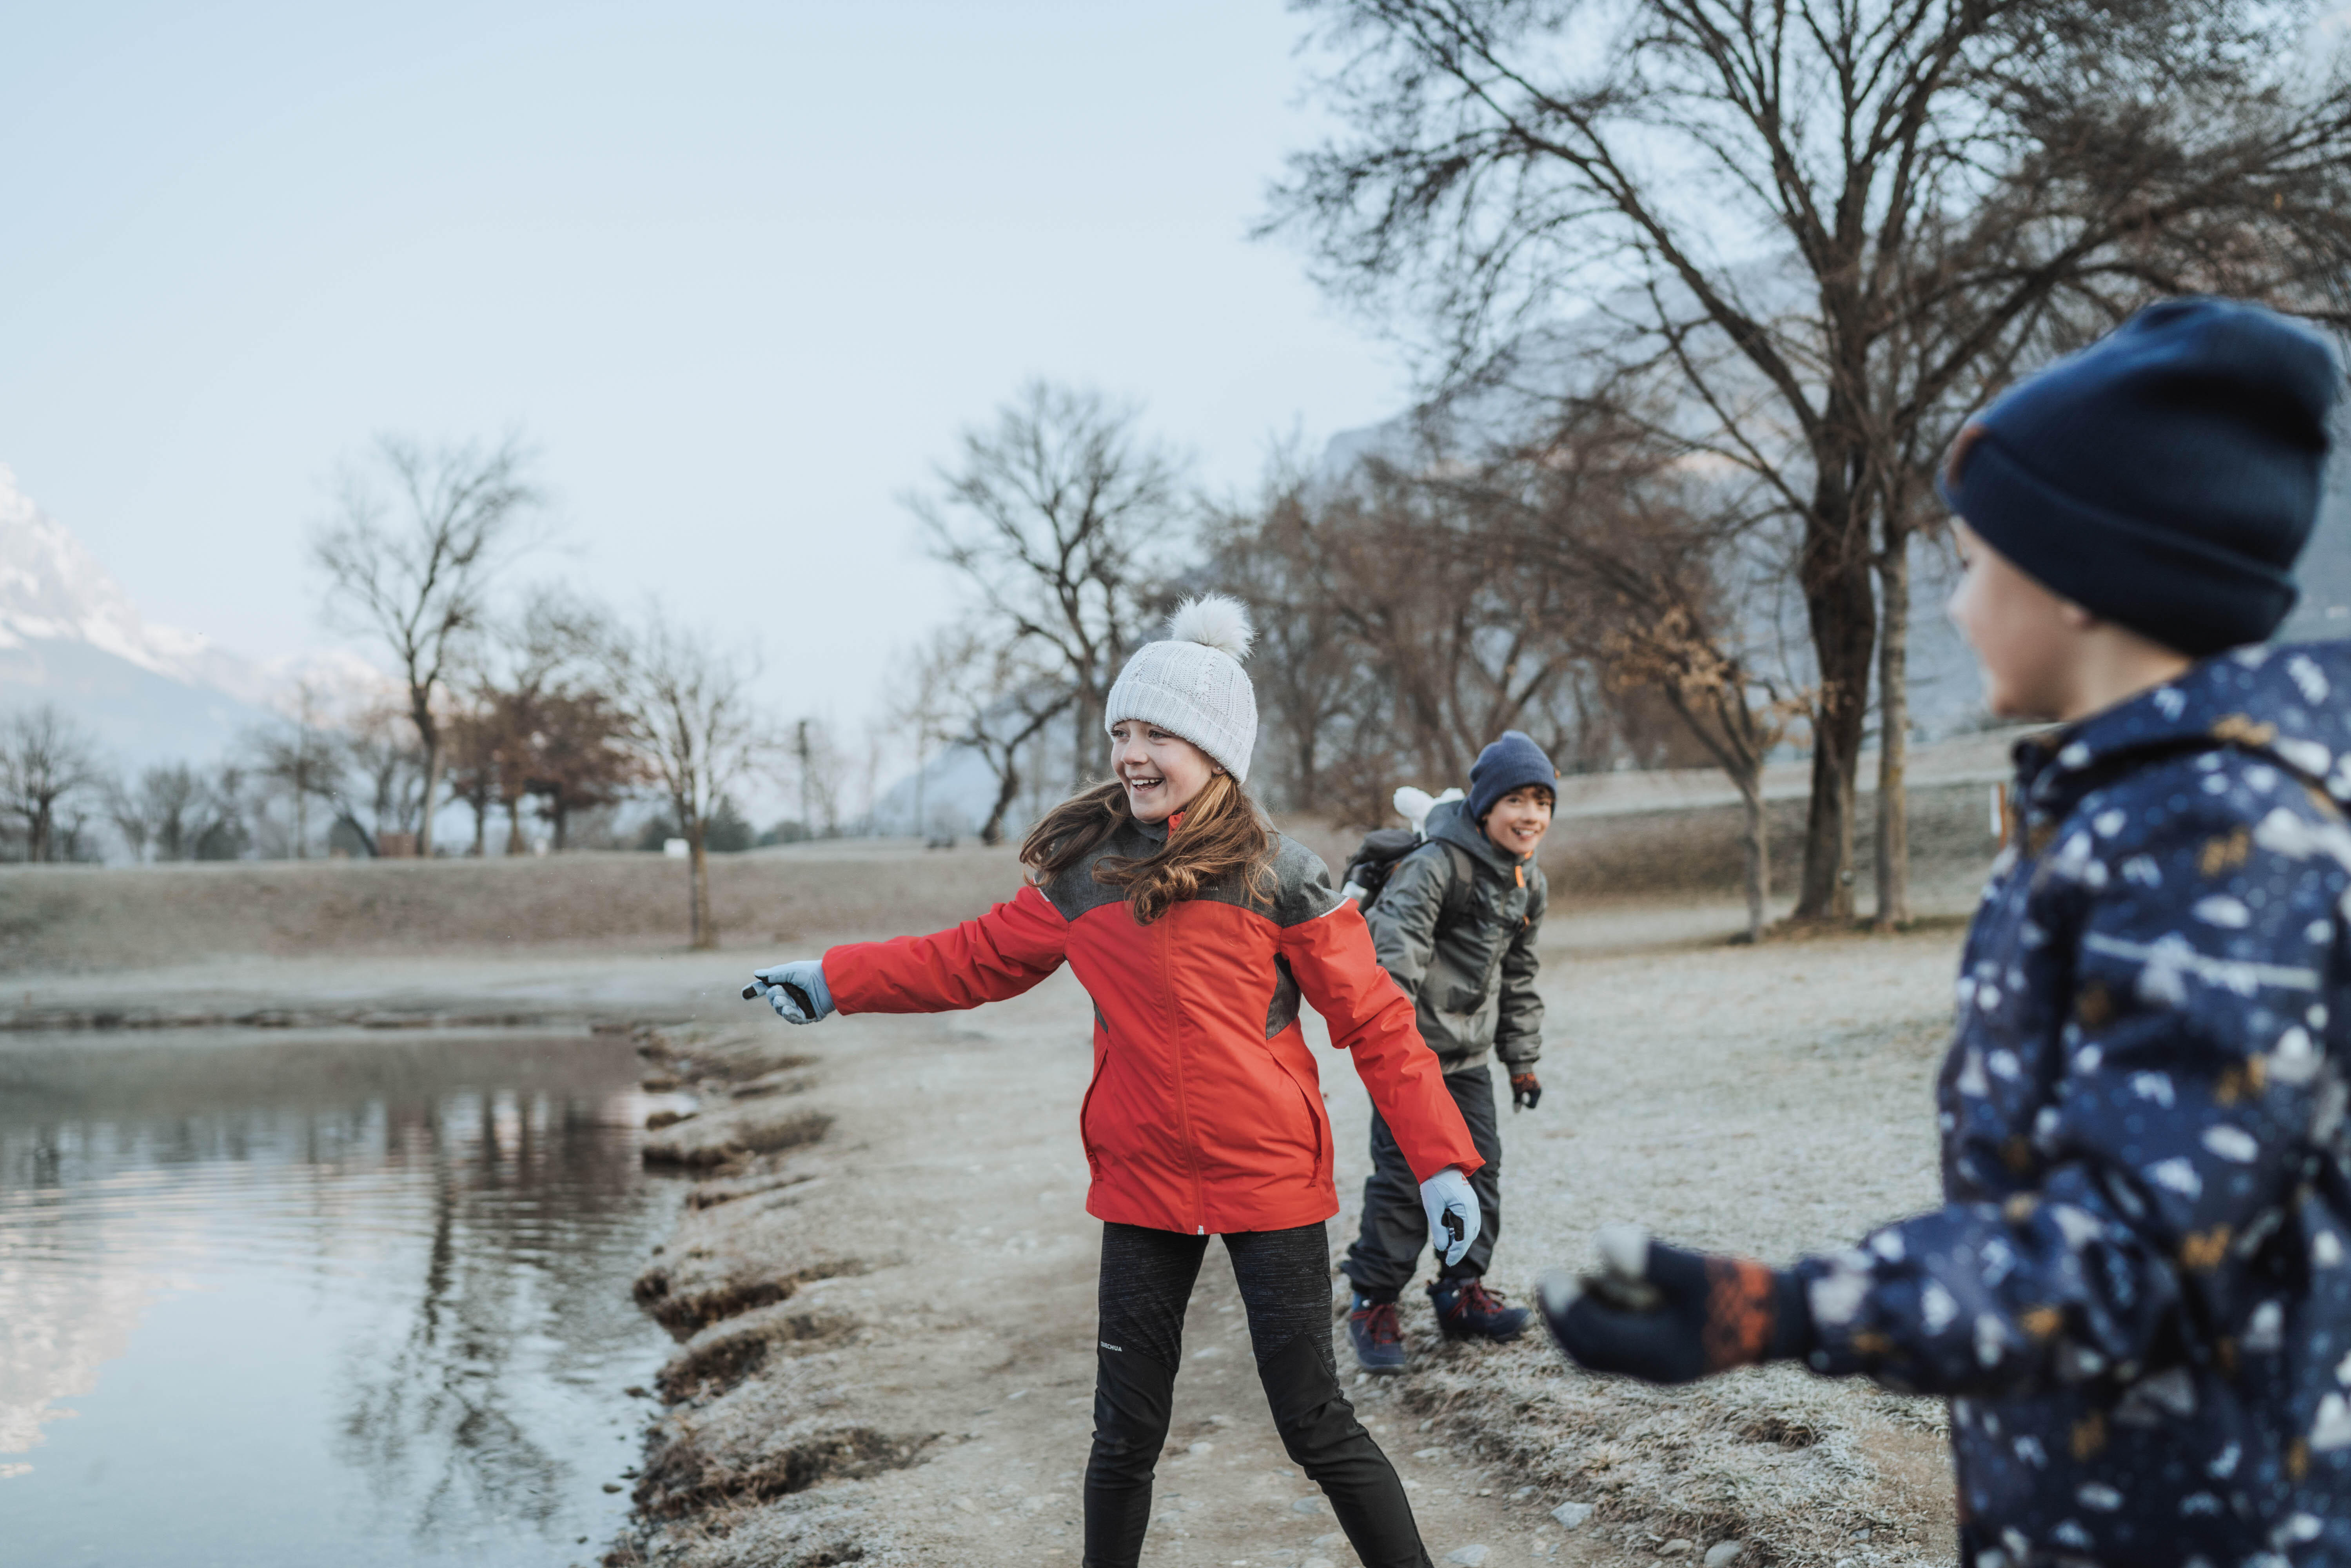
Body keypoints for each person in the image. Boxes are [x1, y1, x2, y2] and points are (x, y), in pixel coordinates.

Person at [1538, 297, 2351, 1568]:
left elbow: (2125, 1249)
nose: (1960, 606)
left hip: (2201, 1527)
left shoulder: (2214, 840)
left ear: (2081, 583)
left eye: (1976, 563)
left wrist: (1782, 1310)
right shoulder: (2123, 814)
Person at [750, 594, 1484, 1568]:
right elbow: (966, 959)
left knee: (1314, 1421)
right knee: (1122, 1436)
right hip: (1142, 1184)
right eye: (1121, 732)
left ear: (1215, 749)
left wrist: (1441, 1163)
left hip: (1269, 1183)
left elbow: (1380, 1025)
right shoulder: (1085, 875)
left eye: (1158, 733)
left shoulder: (1283, 876)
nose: (1132, 752)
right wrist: (834, 980)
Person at [1343, 731, 1556, 1372]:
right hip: (1409, 1062)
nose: (1531, 816)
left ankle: (1460, 1292)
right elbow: (1393, 960)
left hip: (1465, 1060)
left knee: (1479, 1172)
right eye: (1516, 800)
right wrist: (1394, 1060)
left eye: (1542, 802)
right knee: (1406, 1185)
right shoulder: (1436, 864)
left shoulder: (1527, 881)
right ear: (1485, 806)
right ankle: (1373, 1302)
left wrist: (1521, 1059)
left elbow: (1518, 976)